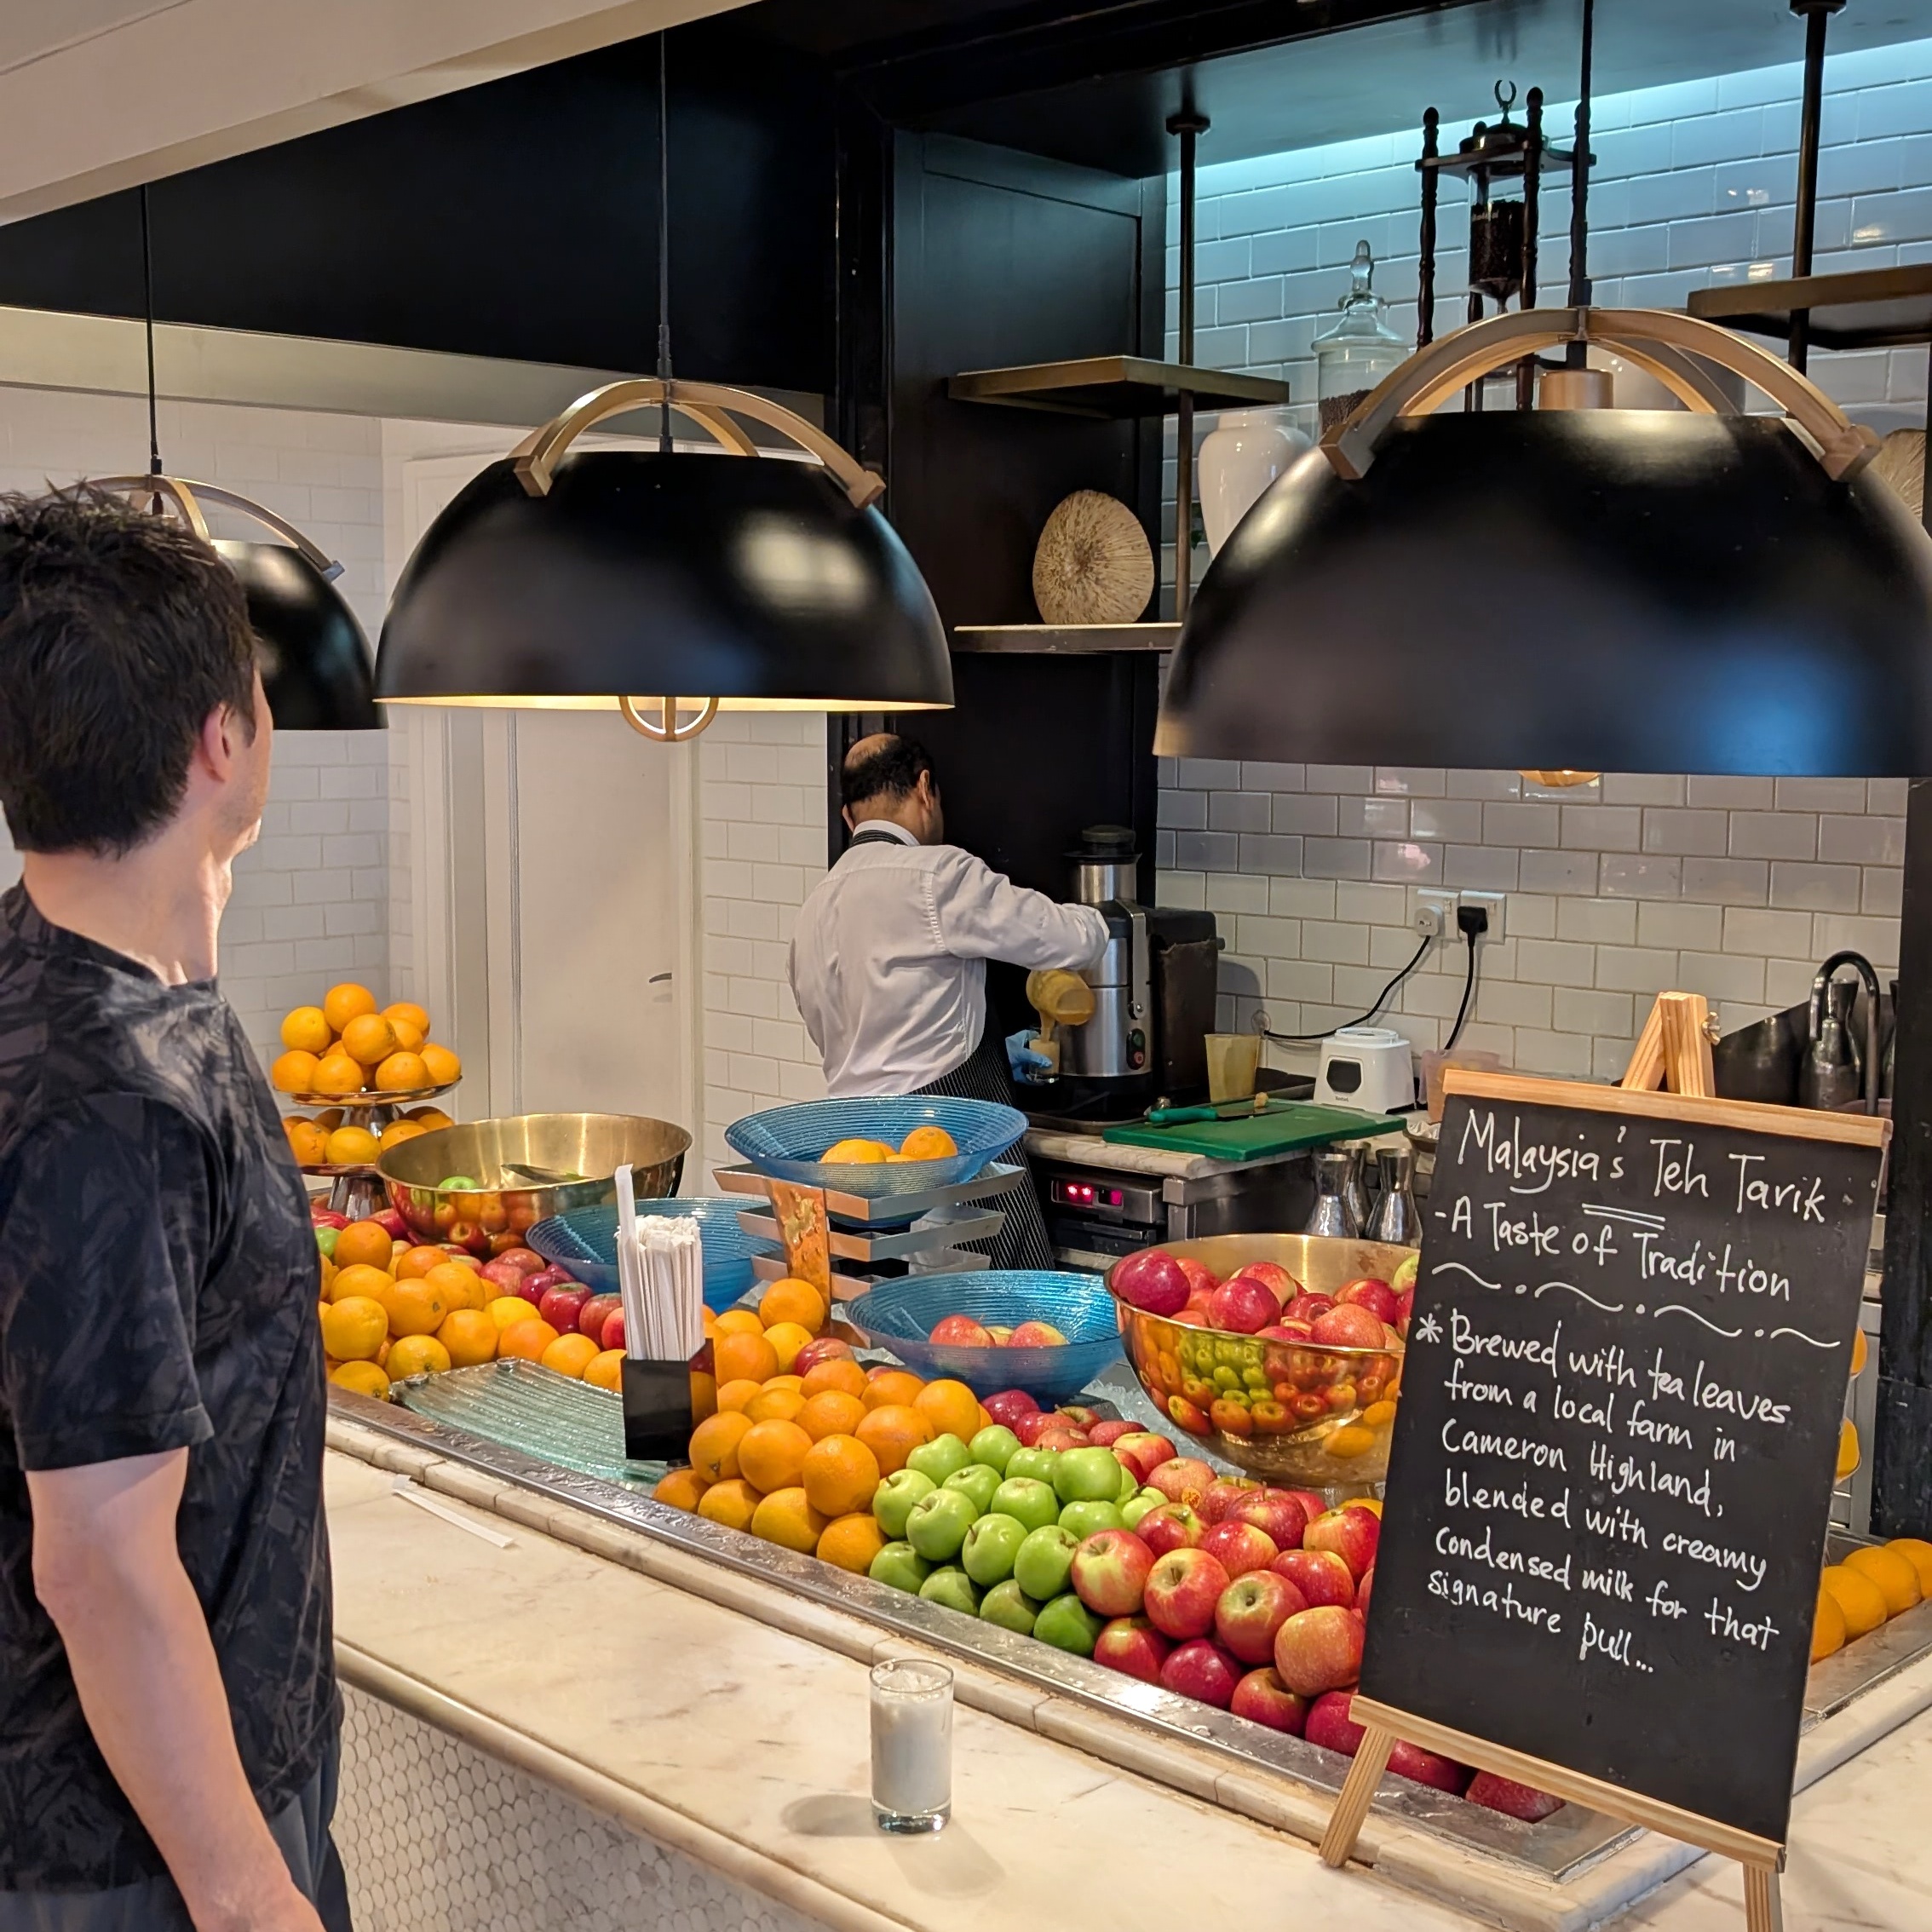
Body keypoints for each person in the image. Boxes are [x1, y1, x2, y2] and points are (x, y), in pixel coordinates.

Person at [0, 489, 348, 1929]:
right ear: (223, 740)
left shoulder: (117, 990)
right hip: (131, 1853)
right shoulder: (106, 1098)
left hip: (199, 1781)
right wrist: (249, 1894)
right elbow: (98, 1563)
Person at [789, 733, 1108, 1268]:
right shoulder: (938, 876)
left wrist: (988, 1047)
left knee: (878, 1323)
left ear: (848, 816)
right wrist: (1108, 918)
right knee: (996, 1324)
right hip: (943, 1150)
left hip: (848, 1157)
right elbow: (1064, 939)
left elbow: (862, 1029)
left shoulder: (814, 908)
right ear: (924, 789)